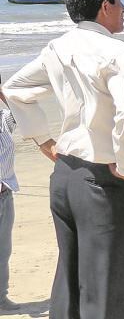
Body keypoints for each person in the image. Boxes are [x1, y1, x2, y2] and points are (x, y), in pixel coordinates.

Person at [1, 0, 124, 319]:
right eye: (120, 0)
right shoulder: (119, 53)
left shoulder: (58, 47)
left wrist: (43, 140)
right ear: (105, 6)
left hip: (65, 175)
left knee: (69, 280)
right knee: (106, 287)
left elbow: (15, 89)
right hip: (102, 177)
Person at [0, 78, 20, 312]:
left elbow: (21, 111)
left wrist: (3, 93)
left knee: (3, 251)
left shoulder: (3, 119)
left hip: (4, 194)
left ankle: (1, 298)